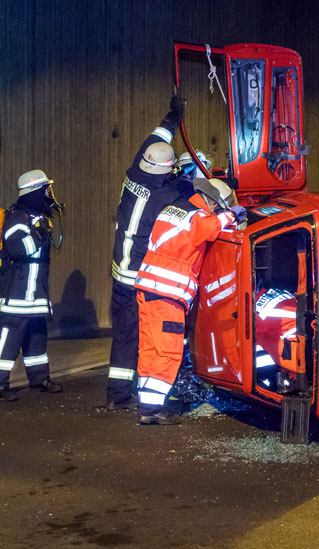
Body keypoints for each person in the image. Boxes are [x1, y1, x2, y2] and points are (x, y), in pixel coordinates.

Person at [133, 178, 245, 424]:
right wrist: (232, 216)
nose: (219, 211)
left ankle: (147, 406)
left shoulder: (174, 210)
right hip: (168, 294)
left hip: (148, 290)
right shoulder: (196, 218)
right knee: (168, 351)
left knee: (150, 349)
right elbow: (209, 228)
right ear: (212, 201)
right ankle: (153, 411)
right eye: (220, 207)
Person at [105, 96, 186, 411]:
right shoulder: (166, 194)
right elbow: (191, 195)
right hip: (139, 277)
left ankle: (116, 395)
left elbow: (155, 140)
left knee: (123, 334)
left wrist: (171, 118)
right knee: (150, 335)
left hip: (118, 270)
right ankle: (151, 392)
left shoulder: (133, 174)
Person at [0, 169, 64, 401]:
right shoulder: (16, 217)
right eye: (45, 189)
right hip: (18, 294)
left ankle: (39, 379)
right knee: (9, 338)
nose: (48, 193)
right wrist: (40, 234)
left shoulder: (38, 216)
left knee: (37, 337)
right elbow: (18, 248)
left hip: (36, 293)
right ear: (34, 190)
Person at [253, 287, 299, 392]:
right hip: (308, 338)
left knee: (252, 341)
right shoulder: (274, 292)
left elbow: (245, 334)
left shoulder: (257, 314)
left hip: (298, 355)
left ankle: (268, 380)